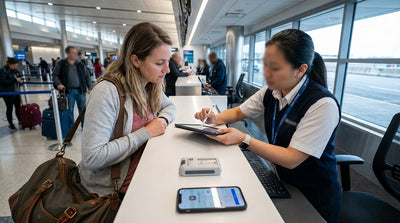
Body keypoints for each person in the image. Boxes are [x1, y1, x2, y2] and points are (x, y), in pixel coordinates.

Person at [194, 29, 341, 222]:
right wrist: (216, 118)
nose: (266, 74)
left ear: (301, 69)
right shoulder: (272, 90)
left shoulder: (322, 104)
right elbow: (239, 112)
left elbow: (292, 158)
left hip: (311, 195)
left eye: (275, 68)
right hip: (282, 179)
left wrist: (244, 139)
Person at [79, 22, 176, 202]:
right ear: (136, 60)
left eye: (168, 61)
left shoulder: (150, 85)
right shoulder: (107, 92)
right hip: (113, 192)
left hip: (143, 172)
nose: (167, 70)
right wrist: (146, 132)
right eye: (159, 63)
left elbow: (170, 107)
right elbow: (92, 158)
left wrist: (161, 120)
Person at [53, 46, 92, 129]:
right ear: (68, 54)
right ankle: (71, 127)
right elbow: (55, 75)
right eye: (73, 53)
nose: (75, 55)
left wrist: (90, 87)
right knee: (69, 110)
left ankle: (84, 126)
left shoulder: (80, 64)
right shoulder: (61, 64)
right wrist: (58, 84)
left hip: (80, 91)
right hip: (68, 91)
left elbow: (87, 76)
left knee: (83, 110)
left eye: (76, 53)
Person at [0, 57, 23, 130]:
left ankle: (20, 121)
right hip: (8, 92)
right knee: (10, 108)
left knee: (18, 107)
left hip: (16, 91)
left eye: (16, 66)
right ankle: (11, 123)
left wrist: (19, 81)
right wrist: (15, 79)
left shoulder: (15, 71)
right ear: (9, 64)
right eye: (14, 65)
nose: (15, 67)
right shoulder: (3, 71)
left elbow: (16, 79)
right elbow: (3, 82)